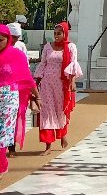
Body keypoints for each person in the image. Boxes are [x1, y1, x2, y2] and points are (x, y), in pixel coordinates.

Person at [34, 22, 82, 152]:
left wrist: (72, 83)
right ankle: (47, 144)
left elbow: (73, 65)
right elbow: (43, 63)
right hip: (47, 84)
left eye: (59, 33)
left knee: (60, 110)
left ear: (65, 34)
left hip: (62, 84)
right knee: (46, 112)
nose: (56, 36)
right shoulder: (48, 47)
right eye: (54, 33)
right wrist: (37, 81)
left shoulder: (71, 47)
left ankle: (62, 135)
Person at [0, 24, 40, 173]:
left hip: (9, 99)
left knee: (3, 133)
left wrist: (37, 96)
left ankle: (2, 165)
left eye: (0, 40)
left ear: (7, 39)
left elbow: (27, 77)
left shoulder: (16, 55)